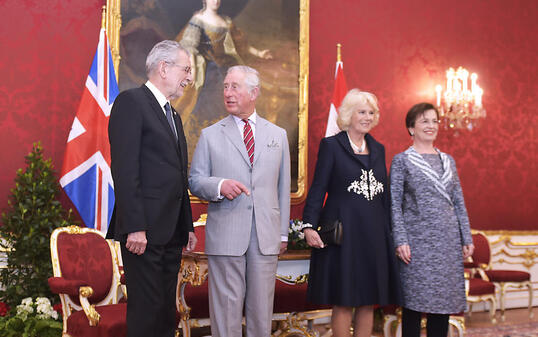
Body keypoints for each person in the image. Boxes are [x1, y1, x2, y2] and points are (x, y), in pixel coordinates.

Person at [189, 65, 290, 337]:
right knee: (225, 311)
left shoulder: (277, 135)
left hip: (266, 236)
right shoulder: (210, 135)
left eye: (235, 87)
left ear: (254, 92)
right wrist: (220, 185)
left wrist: (282, 233)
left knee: (261, 311)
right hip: (226, 235)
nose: (228, 93)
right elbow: (195, 180)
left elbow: (282, 188)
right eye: (225, 87)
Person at [107, 40, 197, 337]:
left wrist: (188, 226)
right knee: (146, 313)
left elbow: (176, 177)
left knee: (163, 313)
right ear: (163, 68)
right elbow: (125, 169)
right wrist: (134, 226)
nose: (189, 77)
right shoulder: (131, 103)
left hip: (170, 232)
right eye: (185, 69)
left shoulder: (173, 115)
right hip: (142, 231)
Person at [302, 89, 402, 337]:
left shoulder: (378, 149)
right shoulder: (331, 146)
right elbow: (318, 187)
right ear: (348, 114)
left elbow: (385, 194)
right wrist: (308, 226)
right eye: (362, 112)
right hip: (343, 234)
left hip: (374, 234)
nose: (367, 117)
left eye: (371, 112)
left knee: (369, 298)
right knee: (344, 298)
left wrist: (392, 233)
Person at [390, 102, 474, 337]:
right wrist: (400, 240)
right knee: (414, 306)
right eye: (424, 121)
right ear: (411, 128)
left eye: (434, 121)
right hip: (416, 245)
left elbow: (458, 202)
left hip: (447, 244)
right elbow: (394, 205)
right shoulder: (402, 160)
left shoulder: (448, 161)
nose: (431, 125)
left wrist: (466, 236)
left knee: (443, 306)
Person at [175, 0, 272, 132]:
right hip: (208, 67)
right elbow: (190, 47)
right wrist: (193, 69)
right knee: (209, 99)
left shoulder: (226, 21)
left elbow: (241, 44)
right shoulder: (199, 19)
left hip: (227, 64)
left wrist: (260, 53)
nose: (215, 1)